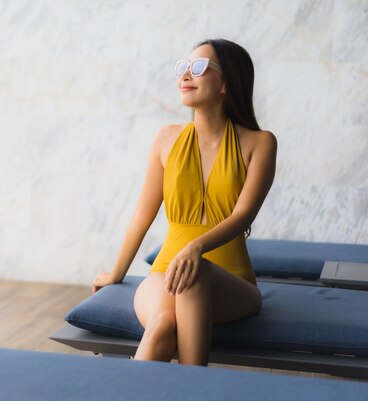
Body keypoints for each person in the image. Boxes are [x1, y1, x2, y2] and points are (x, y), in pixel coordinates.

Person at [91, 39, 277, 366]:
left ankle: (193, 387)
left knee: (196, 275)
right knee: (161, 325)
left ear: (226, 84)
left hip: (231, 282)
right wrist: (116, 273)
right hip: (165, 273)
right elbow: (141, 217)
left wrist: (196, 247)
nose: (186, 75)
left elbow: (243, 214)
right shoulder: (165, 138)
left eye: (200, 67)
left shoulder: (260, 143)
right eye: (183, 67)